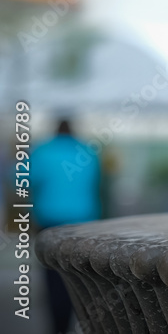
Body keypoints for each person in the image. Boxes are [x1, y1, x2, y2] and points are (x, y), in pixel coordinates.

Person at [32, 118, 101, 334]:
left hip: (50, 223)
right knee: (79, 277)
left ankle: (58, 327)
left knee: (54, 278)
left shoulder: (42, 151)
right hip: (82, 223)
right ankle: (80, 322)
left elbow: (20, 179)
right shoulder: (88, 151)